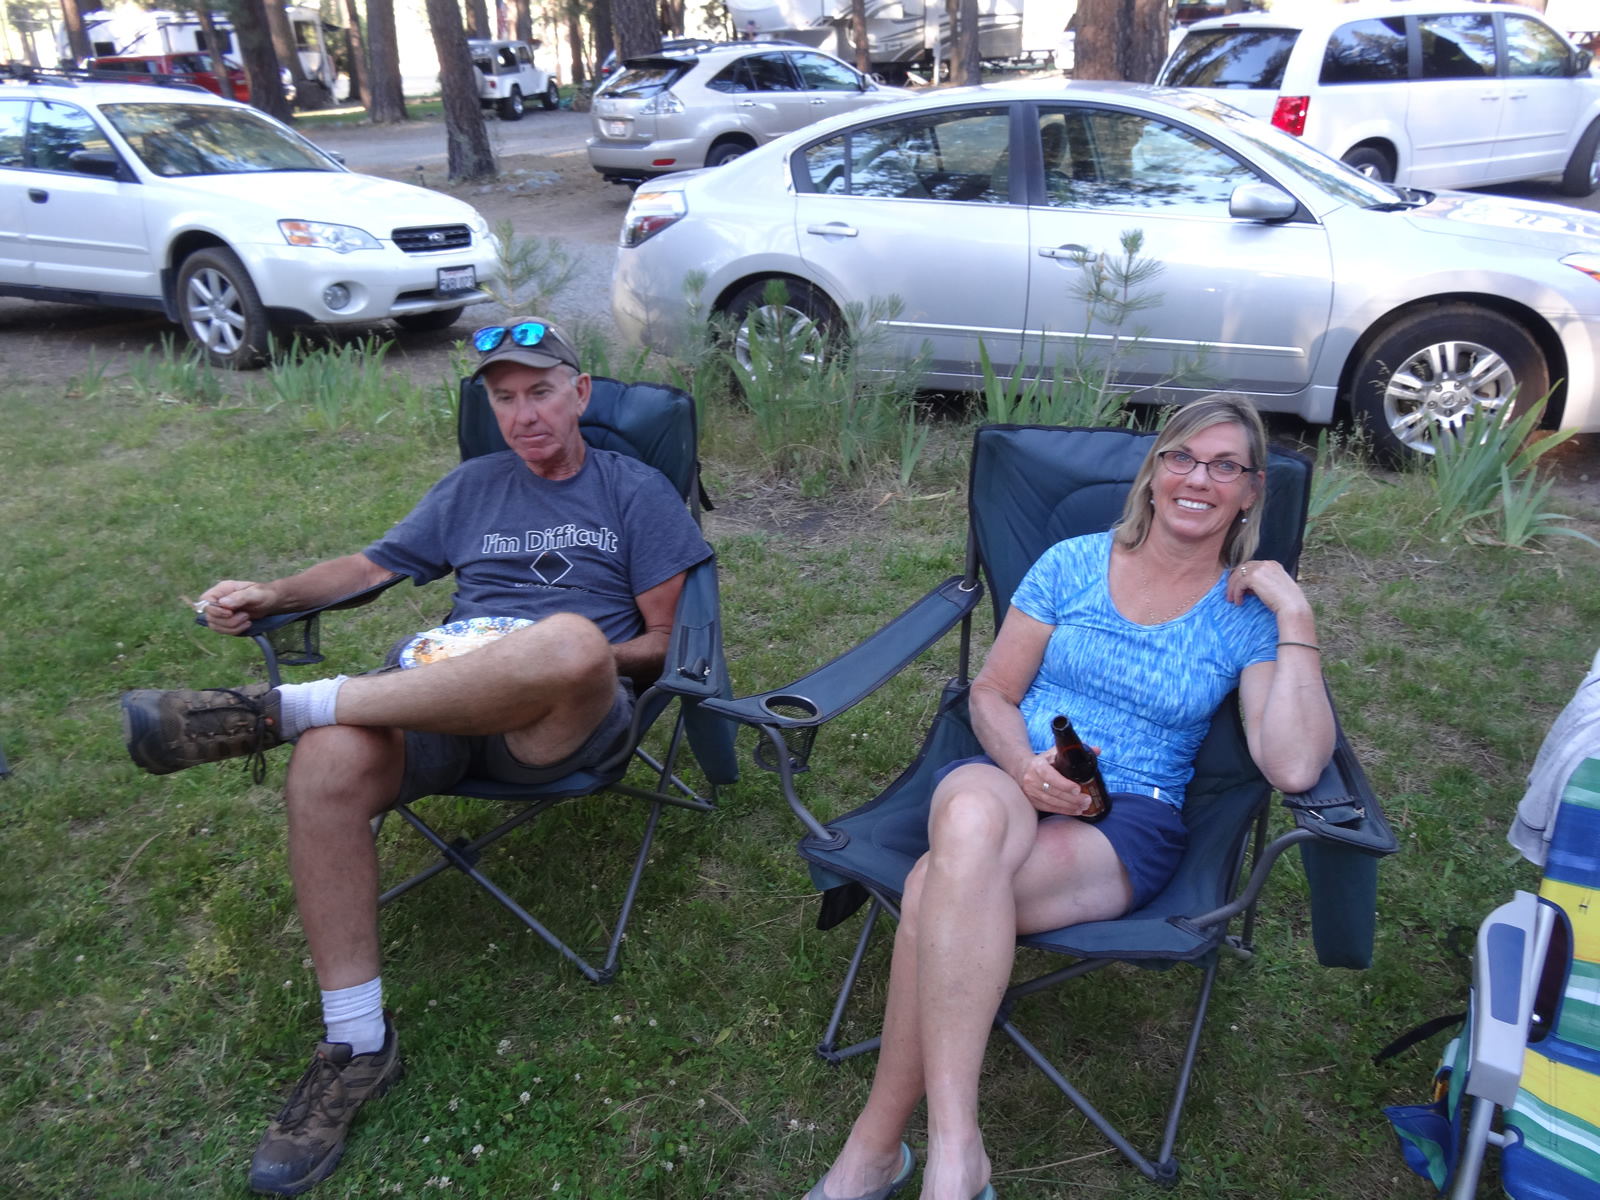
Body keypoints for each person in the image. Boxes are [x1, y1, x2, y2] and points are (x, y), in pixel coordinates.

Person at [119, 318, 712, 1197]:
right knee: (325, 765)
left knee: (572, 638)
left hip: (554, 723)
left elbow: (664, 642)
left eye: (541, 392)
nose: (524, 415)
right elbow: (369, 567)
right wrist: (274, 592)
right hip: (434, 699)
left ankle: (285, 710)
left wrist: (553, 657)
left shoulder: (636, 491)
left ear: (580, 393)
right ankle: (357, 1041)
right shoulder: (473, 487)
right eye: (504, 399)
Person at [804, 394, 1334, 1200]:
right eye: (1183, 458)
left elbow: (1293, 764)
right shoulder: (1071, 564)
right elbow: (991, 694)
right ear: (1154, 473)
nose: (1199, 479)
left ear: (1251, 491)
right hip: (1012, 776)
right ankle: (955, 1155)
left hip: (1127, 820)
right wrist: (1025, 768)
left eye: (1226, 466)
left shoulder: (1245, 614)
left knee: (934, 885)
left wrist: (1295, 609)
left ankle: (876, 1151)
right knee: (970, 817)